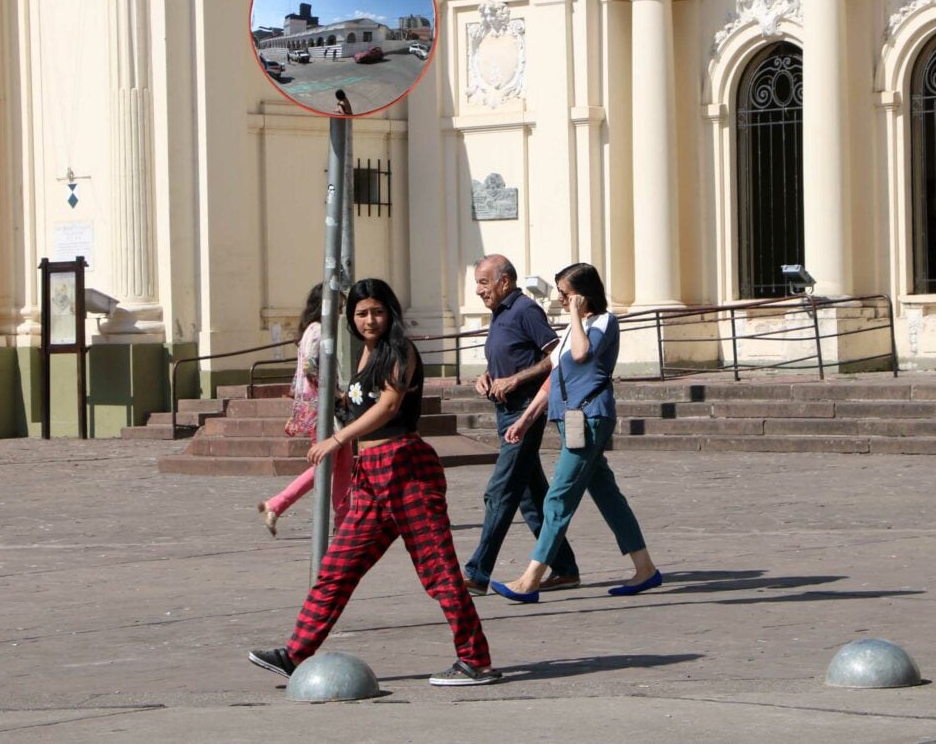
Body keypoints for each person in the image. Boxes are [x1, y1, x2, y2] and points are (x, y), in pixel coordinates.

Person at [249, 278, 501, 687]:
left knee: (439, 571)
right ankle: (294, 654)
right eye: (361, 313)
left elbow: (389, 405)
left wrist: (338, 438)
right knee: (337, 567)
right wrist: (327, 397)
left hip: (407, 470)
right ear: (351, 317)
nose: (370, 320)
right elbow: (359, 408)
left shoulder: (400, 350)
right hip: (371, 474)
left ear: (391, 312)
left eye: (377, 311)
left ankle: (476, 660)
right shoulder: (366, 354)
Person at [489, 263, 661, 604]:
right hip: (571, 420)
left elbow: (582, 356)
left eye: (566, 294)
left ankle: (530, 578)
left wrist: (577, 317)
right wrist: (524, 420)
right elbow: (552, 379)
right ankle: (645, 568)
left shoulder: (602, 322)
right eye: (562, 294)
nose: (562, 299)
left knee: (559, 496)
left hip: (591, 417)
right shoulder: (573, 329)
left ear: (584, 294)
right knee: (608, 496)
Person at [462, 255, 580, 596]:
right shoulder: (499, 313)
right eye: (478, 282)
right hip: (504, 410)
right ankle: (565, 567)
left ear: (505, 281)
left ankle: (477, 572)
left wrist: (515, 379)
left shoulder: (526, 310)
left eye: (484, 282)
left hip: (526, 411)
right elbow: (505, 355)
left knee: (500, 490)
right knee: (531, 495)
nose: (478, 290)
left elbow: (556, 355)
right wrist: (487, 376)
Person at [257, 284, 353, 536]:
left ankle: (344, 521)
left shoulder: (310, 331)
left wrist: (296, 405)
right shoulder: (320, 331)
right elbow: (310, 370)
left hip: (319, 408)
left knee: (342, 465)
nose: (341, 312)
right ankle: (278, 503)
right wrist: (336, 394)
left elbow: (299, 374)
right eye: (339, 307)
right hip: (325, 411)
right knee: (328, 464)